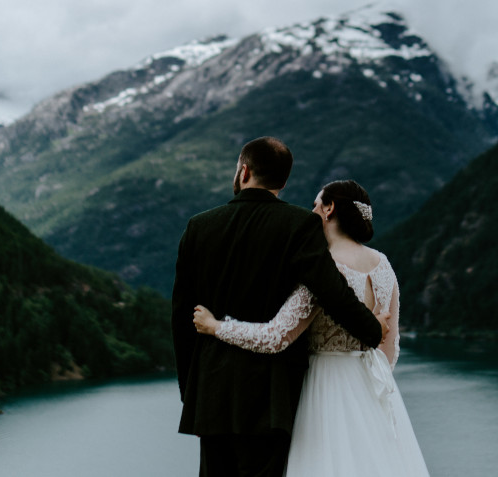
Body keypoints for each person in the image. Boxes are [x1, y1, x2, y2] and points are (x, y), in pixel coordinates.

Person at [174, 138, 387, 477]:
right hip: (270, 395)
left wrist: (192, 389)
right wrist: (372, 329)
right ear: (283, 181)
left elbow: (183, 316)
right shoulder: (299, 224)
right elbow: (331, 290)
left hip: (212, 392)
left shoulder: (199, 226)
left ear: (244, 171)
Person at [192, 179, 430, 477]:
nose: (312, 211)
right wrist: (370, 390)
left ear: (329, 209)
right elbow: (390, 347)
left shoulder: (323, 269)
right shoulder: (383, 265)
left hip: (324, 387)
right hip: (372, 387)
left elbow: (276, 336)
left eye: (317, 204)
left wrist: (216, 327)